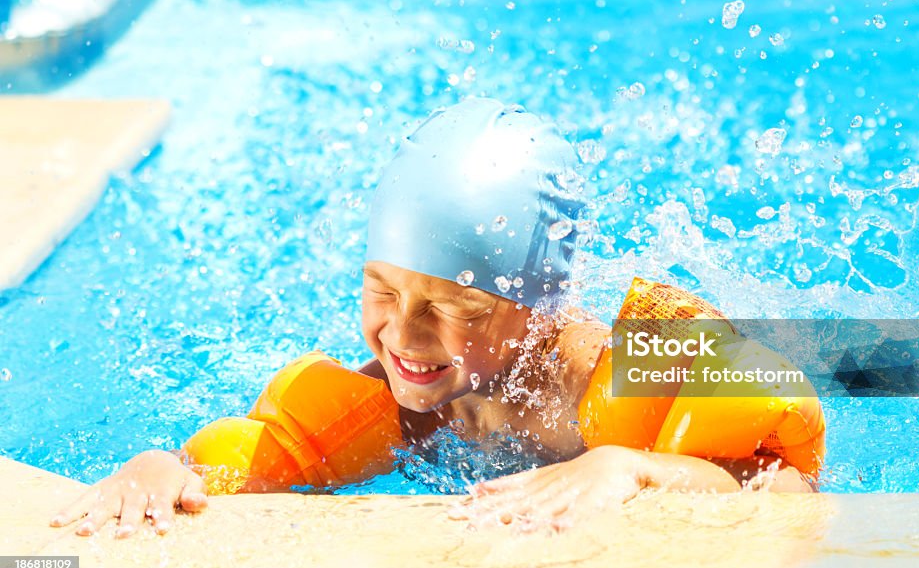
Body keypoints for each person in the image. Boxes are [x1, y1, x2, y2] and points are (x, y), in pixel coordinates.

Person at [51, 97, 811, 539]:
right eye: (383, 292)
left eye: (453, 310)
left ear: (540, 305)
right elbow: (237, 465)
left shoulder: (614, 374)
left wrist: (634, 466)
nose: (403, 339)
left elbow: (787, 494)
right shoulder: (380, 406)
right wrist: (162, 470)